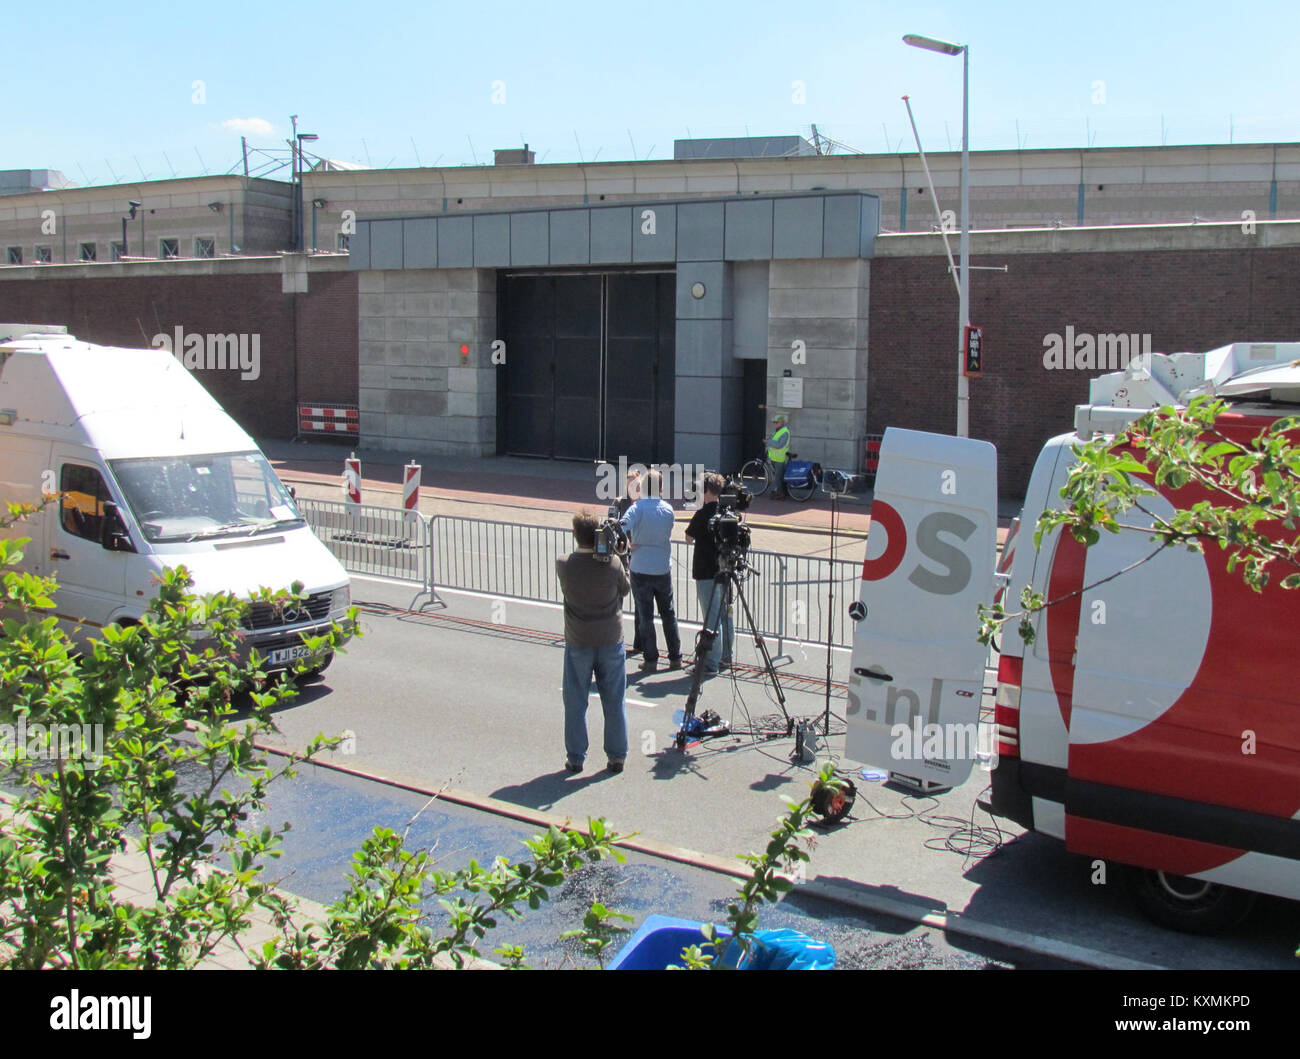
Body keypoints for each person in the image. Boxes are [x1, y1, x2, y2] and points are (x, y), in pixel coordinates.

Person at [555, 509, 630, 774]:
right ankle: (616, 756)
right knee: (614, 700)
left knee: (575, 701)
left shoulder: (564, 563)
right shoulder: (612, 564)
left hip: (579, 639)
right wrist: (621, 555)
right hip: (610, 639)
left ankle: (576, 757)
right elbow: (625, 589)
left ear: (576, 535)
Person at [619, 468, 682, 672]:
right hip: (662, 567)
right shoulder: (668, 509)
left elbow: (620, 526)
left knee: (646, 616)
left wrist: (629, 543)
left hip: (641, 566)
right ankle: (675, 656)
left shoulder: (637, 508)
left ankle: (651, 658)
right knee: (668, 613)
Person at [684, 471, 734, 676]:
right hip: (725, 570)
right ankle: (725, 657)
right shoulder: (727, 511)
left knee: (711, 618)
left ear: (706, 490)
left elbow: (688, 537)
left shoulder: (703, 513)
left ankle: (711, 662)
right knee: (725, 615)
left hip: (706, 571)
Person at [615, 469, 644, 658]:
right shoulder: (620, 502)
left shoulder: (644, 503)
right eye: (628, 483)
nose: (631, 486)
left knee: (640, 601)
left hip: (640, 555)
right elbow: (615, 525)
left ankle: (639, 642)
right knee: (618, 596)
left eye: (634, 482)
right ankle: (615, 638)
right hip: (623, 554)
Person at [766, 413, 791, 499]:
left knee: (778, 477)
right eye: (774, 422)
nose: (774, 424)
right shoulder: (778, 431)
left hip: (780, 458)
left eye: (776, 422)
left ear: (781, 422)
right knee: (779, 477)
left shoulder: (784, 432)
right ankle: (783, 492)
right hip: (775, 457)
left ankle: (780, 494)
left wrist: (768, 442)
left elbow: (779, 445)